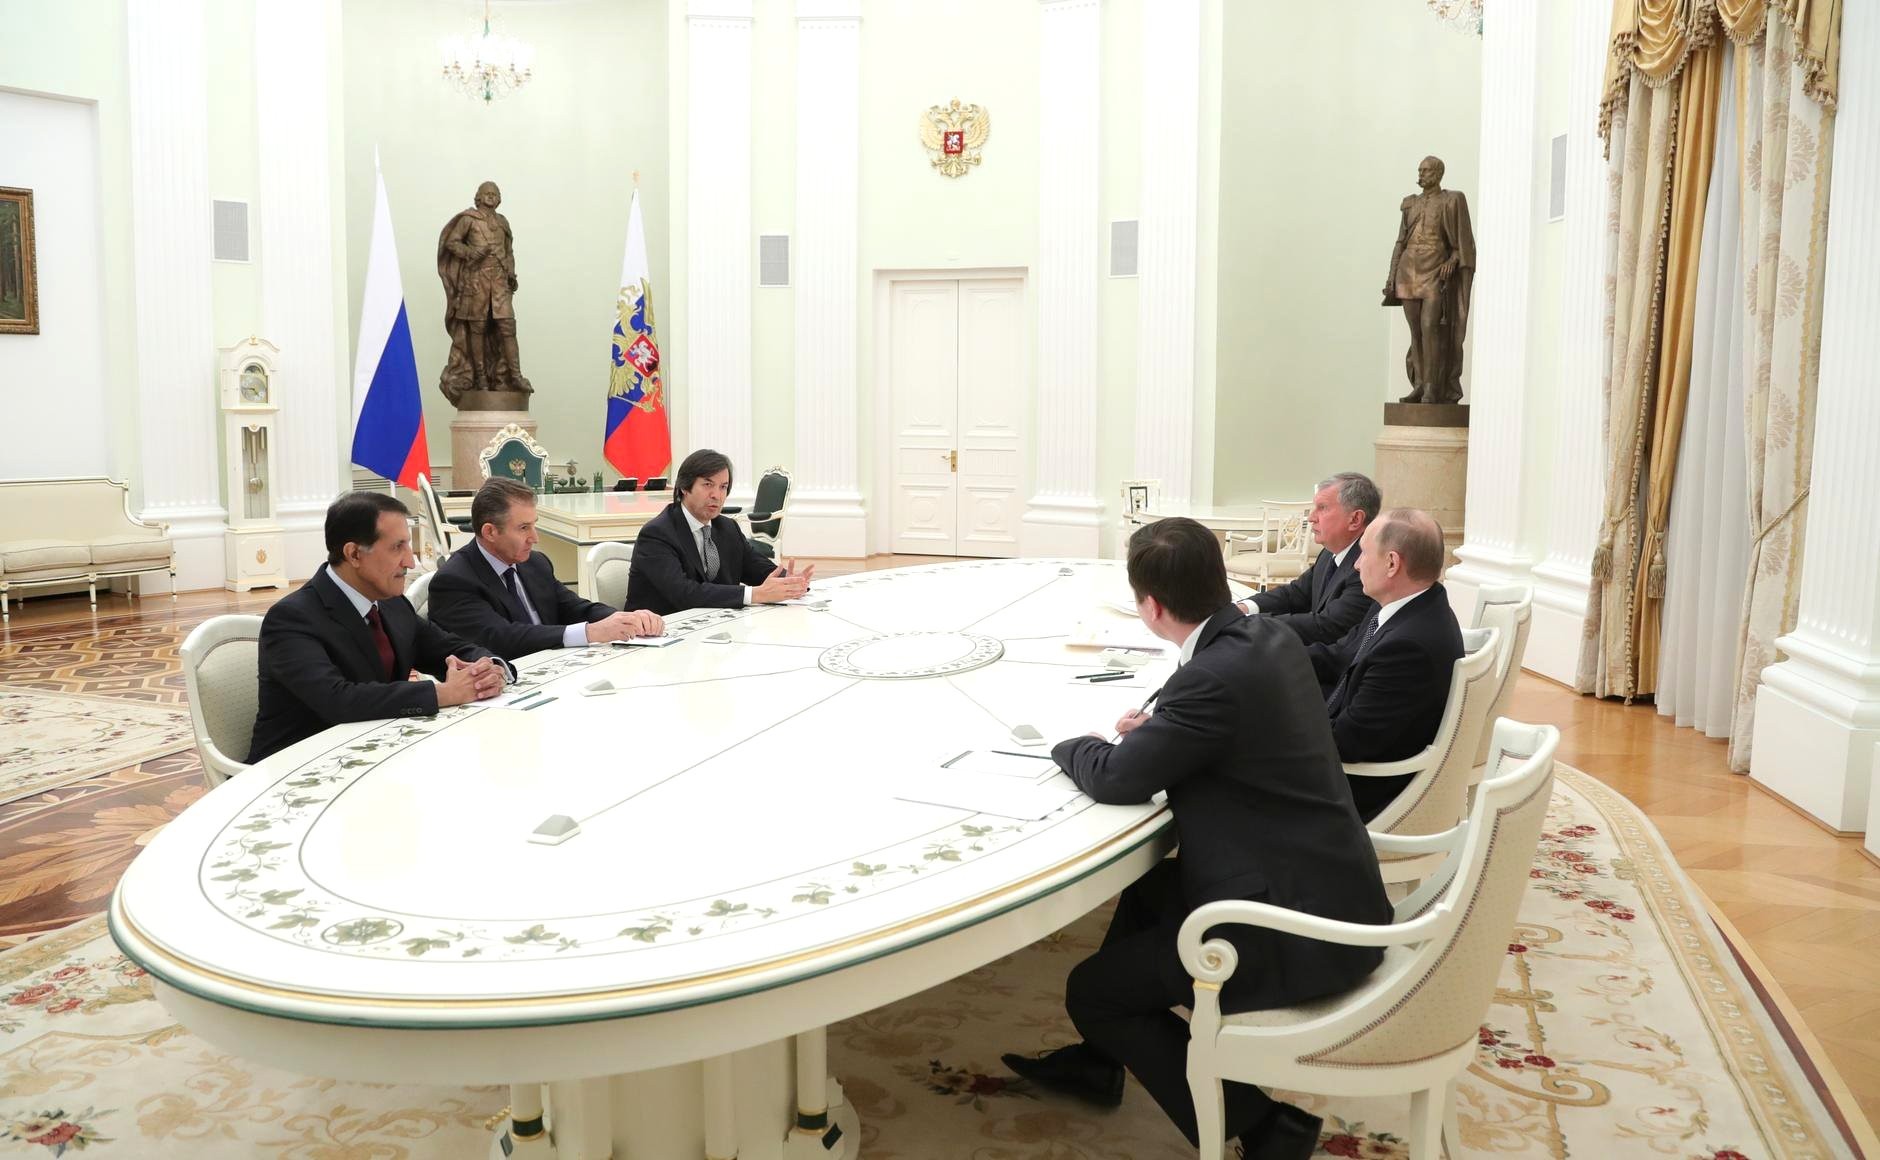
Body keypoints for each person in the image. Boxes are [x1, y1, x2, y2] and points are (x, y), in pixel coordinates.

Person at [1003, 517, 1390, 1160]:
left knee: (1092, 993)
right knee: (1148, 890)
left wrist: (1076, 743)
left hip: (1291, 928)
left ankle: (1267, 1128)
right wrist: (1165, 730)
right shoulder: (1267, 636)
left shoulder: (1208, 679)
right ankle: (1100, 1064)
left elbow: (1117, 778)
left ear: (1151, 607)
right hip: (1331, 884)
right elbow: (1230, 727)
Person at [248, 493, 509, 764]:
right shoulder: (291, 618)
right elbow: (338, 700)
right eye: (397, 547)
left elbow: (447, 648)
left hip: (377, 753)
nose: (410, 562)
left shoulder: (391, 603)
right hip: (297, 767)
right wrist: (443, 693)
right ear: (354, 554)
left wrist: (488, 668)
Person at [1306, 508, 1463, 820]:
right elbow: (1339, 655)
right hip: (1351, 749)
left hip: (1359, 791)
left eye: (1364, 553)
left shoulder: (1408, 649)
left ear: (1392, 563)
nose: (1356, 564)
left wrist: (1276, 722)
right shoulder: (1407, 605)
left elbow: (1346, 744)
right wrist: (1272, 659)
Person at [427, 477, 665, 661]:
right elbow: (502, 638)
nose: (535, 538)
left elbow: (574, 608)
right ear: (490, 532)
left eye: (534, 525)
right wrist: (590, 632)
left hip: (556, 667)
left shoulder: (535, 563)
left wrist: (624, 619)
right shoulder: (454, 581)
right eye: (523, 528)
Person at [625, 448, 815, 616]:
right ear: (684, 487)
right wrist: (755, 594)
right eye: (708, 485)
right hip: (656, 632)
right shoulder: (657, 534)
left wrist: (790, 582)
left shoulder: (727, 528)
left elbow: (757, 568)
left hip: (711, 628)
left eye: (723, 487)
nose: (716, 495)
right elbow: (684, 593)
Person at [1237, 471, 1379, 644]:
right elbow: (1296, 593)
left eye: (1322, 508)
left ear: (1355, 519)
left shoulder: (1367, 566)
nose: (1311, 518)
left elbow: (1329, 626)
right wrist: (1245, 608)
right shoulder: (1330, 551)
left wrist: (1252, 624)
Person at [1382, 155, 1475, 405]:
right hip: (1407, 271)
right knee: (1415, 331)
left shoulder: (1452, 200)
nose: (1421, 175)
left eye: (1426, 171)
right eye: (1420, 171)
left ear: (1438, 173)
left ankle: (1433, 387)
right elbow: (1400, 242)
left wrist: (1453, 260)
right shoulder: (1410, 204)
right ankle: (1420, 384)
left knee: (1429, 327)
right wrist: (1391, 277)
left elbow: (1462, 244)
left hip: (1434, 271)